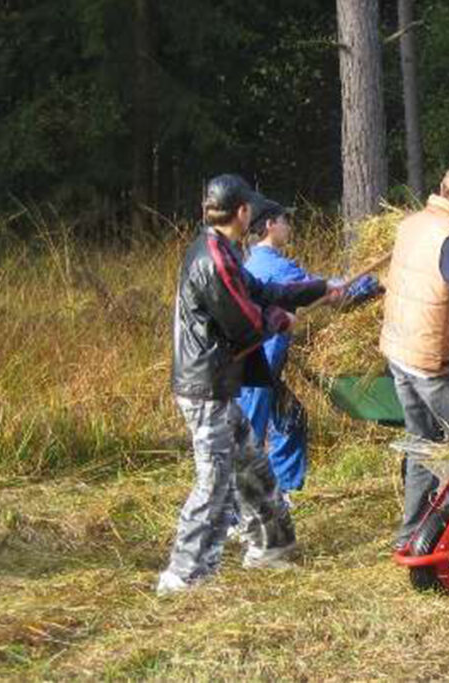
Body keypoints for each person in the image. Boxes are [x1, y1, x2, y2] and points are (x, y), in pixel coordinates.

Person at [158, 174, 335, 596]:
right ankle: (184, 575)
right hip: (206, 387)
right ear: (241, 212)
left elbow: (263, 289)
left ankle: (272, 547)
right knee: (215, 480)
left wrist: (320, 290)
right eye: (249, 208)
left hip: (219, 383)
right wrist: (279, 319)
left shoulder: (224, 251)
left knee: (251, 464)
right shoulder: (213, 260)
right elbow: (245, 321)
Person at [379, 159, 449, 550]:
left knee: (421, 442)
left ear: (443, 187)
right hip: (428, 357)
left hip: (397, 348)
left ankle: (411, 534)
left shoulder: (411, 224)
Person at [237, 197, 377, 507]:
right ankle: (236, 516)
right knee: (247, 439)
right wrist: (372, 284)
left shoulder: (256, 262)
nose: (288, 226)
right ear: (270, 224)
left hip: (264, 366)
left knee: (290, 416)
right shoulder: (271, 266)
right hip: (254, 367)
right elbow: (321, 290)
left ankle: (282, 492)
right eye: (285, 220)